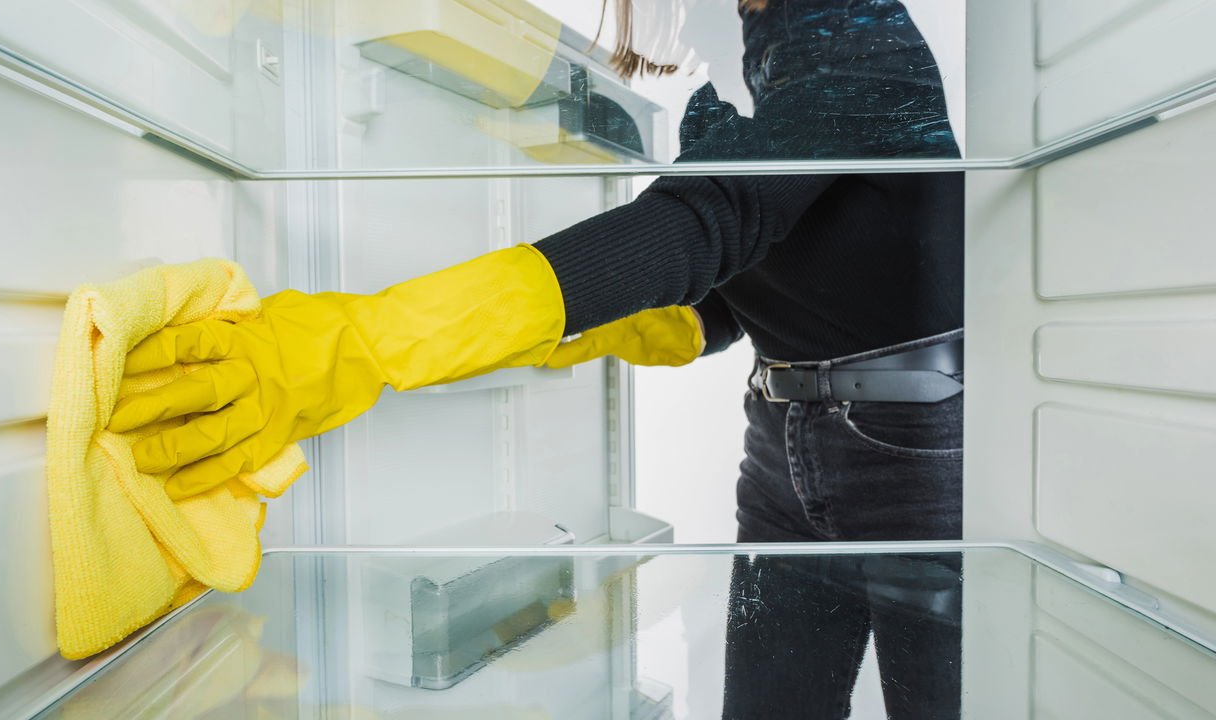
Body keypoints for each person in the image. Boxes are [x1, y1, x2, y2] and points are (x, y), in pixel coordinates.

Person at [108, 1, 964, 717]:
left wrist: (361, 341)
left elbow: (711, 220)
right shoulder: (740, 48)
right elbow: (738, 292)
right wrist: (576, 328)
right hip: (779, 442)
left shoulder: (860, 32)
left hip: (916, 452)